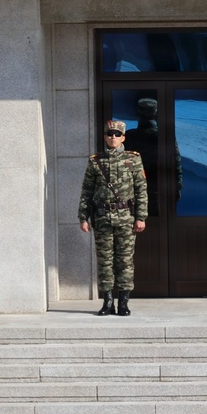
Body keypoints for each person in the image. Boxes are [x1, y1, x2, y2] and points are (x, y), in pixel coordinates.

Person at [77, 119, 148, 316]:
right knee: (104, 261)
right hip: (102, 219)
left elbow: (141, 191)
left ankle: (124, 302)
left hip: (126, 218)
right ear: (105, 137)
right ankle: (108, 302)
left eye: (117, 134)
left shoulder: (133, 159)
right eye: (110, 134)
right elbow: (86, 192)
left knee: (125, 261)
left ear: (123, 137)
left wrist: (140, 217)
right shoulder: (95, 161)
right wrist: (83, 217)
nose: (113, 137)